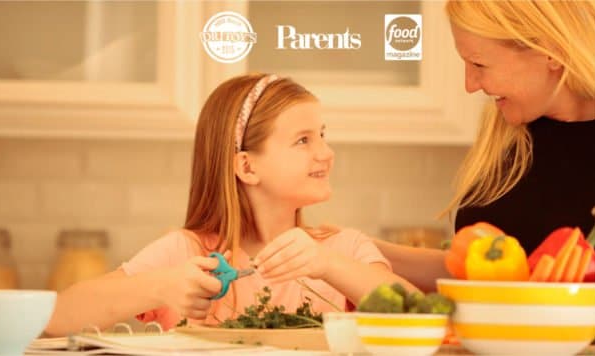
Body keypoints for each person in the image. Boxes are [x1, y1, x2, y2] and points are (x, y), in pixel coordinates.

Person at [45, 74, 416, 336]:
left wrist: (327, 264)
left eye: (322, 135)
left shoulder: (342, 250)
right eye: (303, 140)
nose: (326, 152)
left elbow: (418, 315)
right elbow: (56, 318)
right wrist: (163, 285)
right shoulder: (188, 253)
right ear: (247, 166)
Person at [375, 0, 595, 292]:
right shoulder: (505, 135)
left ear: (550, 52)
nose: (470, 84)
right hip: (486, 338)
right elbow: (472, 274)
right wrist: (359, 250)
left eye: (479, 64)